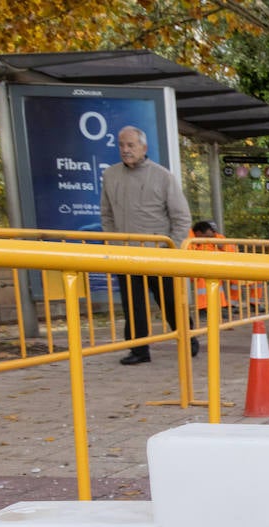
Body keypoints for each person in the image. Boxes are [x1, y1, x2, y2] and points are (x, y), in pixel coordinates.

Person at [99, 125, 193, 365]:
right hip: (126, 254)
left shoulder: (162, 176)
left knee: (170, 301)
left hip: (159, 254)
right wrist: (113, 242)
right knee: (133, 306)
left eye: (131, 145)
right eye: (121, 145)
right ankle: (138, 349)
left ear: (144, 147)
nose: (125, 150)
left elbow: (181, 217)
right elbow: (106, 214)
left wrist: (170, 249)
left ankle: (188, 339)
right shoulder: (111, 175)